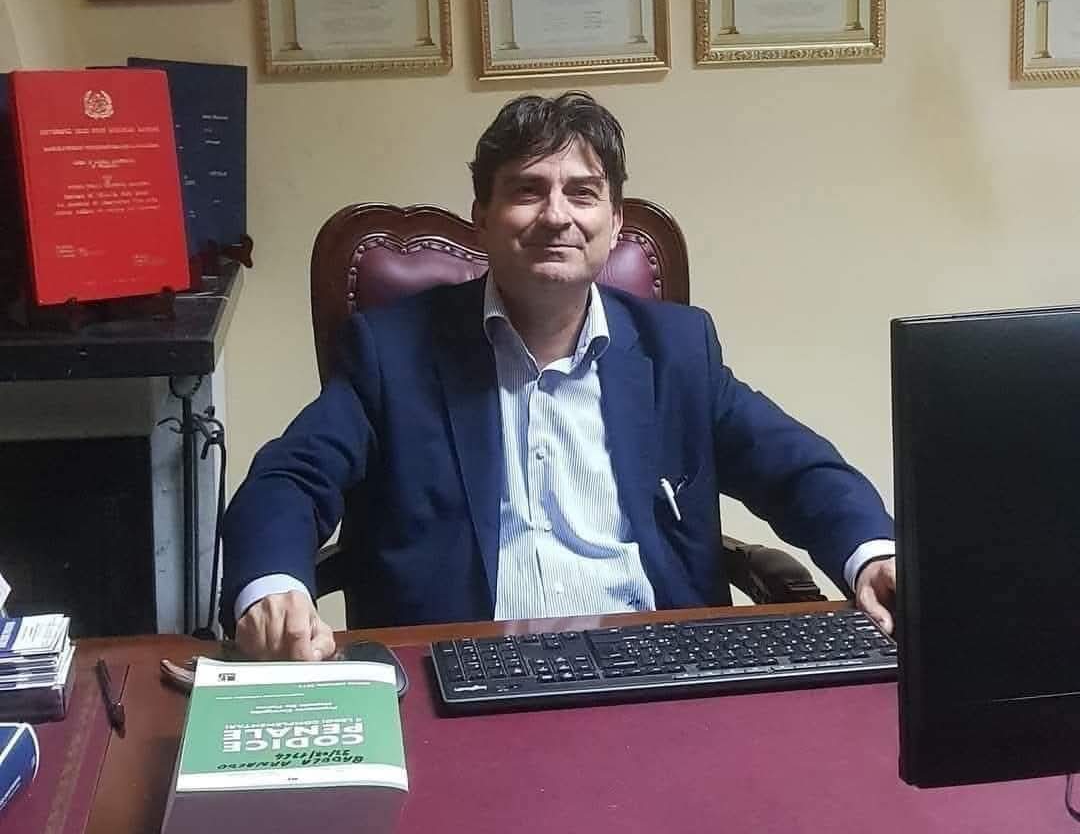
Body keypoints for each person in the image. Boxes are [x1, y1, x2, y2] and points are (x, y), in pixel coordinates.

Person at [222, 92, 896, 661]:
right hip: (464, 668)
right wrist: (274, 585)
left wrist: (872, 554)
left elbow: (797, 468)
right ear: (482, 218)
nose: (556, 216)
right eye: (527, 190)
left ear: (615, 222)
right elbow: (290, 478)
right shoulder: (393, 353)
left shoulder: (677, 350)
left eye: (583, 193)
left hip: (656, 663)